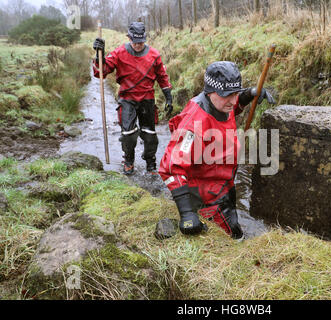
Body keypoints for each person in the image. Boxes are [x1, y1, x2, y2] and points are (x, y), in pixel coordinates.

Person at [158, 61, 274, 239]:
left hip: (223, 182)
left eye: (236, 93)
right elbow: (171, 168)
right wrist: (187, 214)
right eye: (228, 95)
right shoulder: (194, 124)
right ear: (210, 91)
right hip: (207, 194)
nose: (234, 101)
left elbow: (231, 108)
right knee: (232, 234)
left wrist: (249, 94)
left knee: (233, 223)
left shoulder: (219, 103)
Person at [92, 21, 173, 175]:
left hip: (147, 99)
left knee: (150, 135)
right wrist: (99, 55)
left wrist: (168, 97)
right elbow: (101, 72)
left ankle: (150, 163)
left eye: (141, 41)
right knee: (128, 135)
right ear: (129, 38)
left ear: (145, 38)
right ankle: (129, 160)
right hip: (127, 98)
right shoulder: (119, 53)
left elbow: (162, 77)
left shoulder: (154, 55)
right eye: (135, 41)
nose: (138, 45)